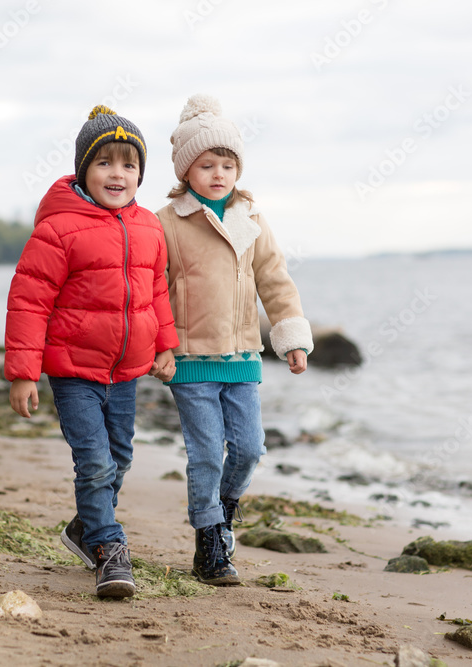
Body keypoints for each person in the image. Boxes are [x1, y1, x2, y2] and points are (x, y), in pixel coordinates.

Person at [4, 105, 178, 598]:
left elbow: (156, 292)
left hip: (124, 372)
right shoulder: (57, 230)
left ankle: (83, 528)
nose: (117, 174)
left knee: (119, 457)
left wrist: (166, 344)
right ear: (84, 169)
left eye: (128, 164)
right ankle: (108, 547)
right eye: (105, 163)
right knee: (95, 462)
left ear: (141, 173)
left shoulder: (148, 227)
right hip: (74, 371)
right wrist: (23, 372)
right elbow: (28, 301)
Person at [156, 94, 313, 586]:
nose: (219, 174)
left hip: (243, 359)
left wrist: (291, 336)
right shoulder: (168, 223)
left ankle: (223, 509)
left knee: (249, 449)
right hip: (190, 361)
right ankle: (208, 541)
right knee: (205, 453)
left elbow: (275, 280)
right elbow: (152, 289)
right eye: (207, 165)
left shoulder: (252, 221)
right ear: (187, 171)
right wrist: (157, 346)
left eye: (228, 164)